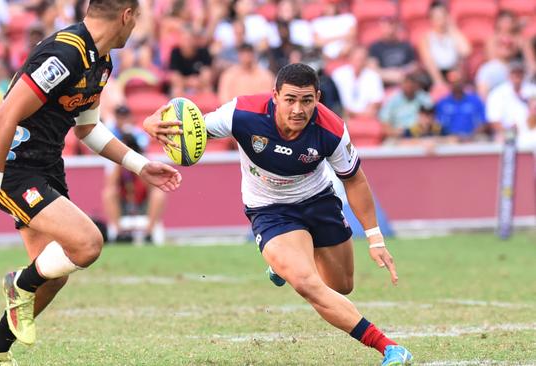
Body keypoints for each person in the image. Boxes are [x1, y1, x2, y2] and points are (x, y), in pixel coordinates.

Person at [144, 63, 412, 365]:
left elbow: (354, 179)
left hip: (319, 200)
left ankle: (282, 267)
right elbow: (188, 128)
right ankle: (388, 346)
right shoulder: (242, 113)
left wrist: (375, 238)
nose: (298, 109)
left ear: (318, 98)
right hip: (270, 210)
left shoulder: (332, 129)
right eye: (290, 99)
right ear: (275, 96)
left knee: (340, 286)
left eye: (307, 100)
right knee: (307, 283)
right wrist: (152, 123)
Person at [0, 1, 182, 365]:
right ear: (126, 15)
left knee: (54, 274)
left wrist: (140, 165)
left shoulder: (100, 61)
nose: (138, 27)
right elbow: (4, 117)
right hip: (14, 168)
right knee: (86, 244)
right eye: (138, 18)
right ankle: (18, 283)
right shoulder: (65, 53)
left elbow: (87, 129)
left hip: (47, 166)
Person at [103, 132, 166, 243]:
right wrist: (120, 162)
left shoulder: (147, 161)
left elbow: (152, 187)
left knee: (158, 194)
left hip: (143, 202)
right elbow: (110, 186)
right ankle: (119, 235)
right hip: (124, 202)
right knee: (109, 193)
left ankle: (149, 234)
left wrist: (137, 166)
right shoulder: (117, 166)